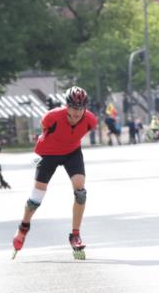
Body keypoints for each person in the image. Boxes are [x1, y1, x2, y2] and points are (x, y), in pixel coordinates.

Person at [11, 86, 98, 260]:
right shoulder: (52, 117)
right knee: (36, 199)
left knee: (80, 193)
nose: (77, 113)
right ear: (67, 106)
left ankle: (75, 235)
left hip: (72, 153)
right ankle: (23, 227)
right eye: (73, 108)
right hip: (48, 153)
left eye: (81, 109)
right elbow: (44, 130)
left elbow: (78, 134)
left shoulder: (90, 120)